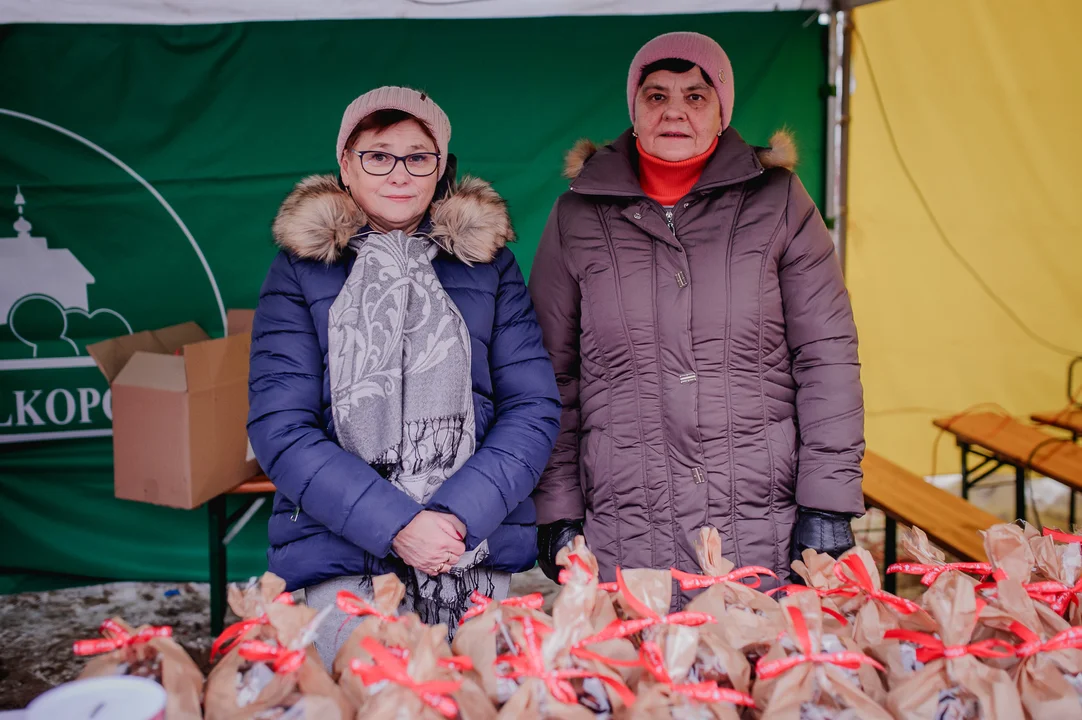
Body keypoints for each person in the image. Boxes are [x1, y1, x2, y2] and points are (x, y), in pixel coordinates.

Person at [529, 33, 864, 592]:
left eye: (695, 96)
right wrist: (557, 509)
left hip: (760, 522)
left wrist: (827, 502)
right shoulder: (577, 216)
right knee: (636, 673)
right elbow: (548, 376)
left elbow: (827, 358)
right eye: (657, 96)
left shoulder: (780, 202)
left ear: (722, 111)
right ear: (633, 110)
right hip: (625, 525)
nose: (675, 112)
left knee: (756, 671)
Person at [248, 86, 560, 663]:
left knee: (472, 695)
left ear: (440, 166)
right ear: (346, 164)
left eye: (418, 156)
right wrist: (396, 525)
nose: (399, 173)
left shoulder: (489, 265)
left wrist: (453, 518)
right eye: (378, 155)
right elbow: (281, 427)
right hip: (343, 561)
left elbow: (532, 408)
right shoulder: (299, 270)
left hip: (466, 550)